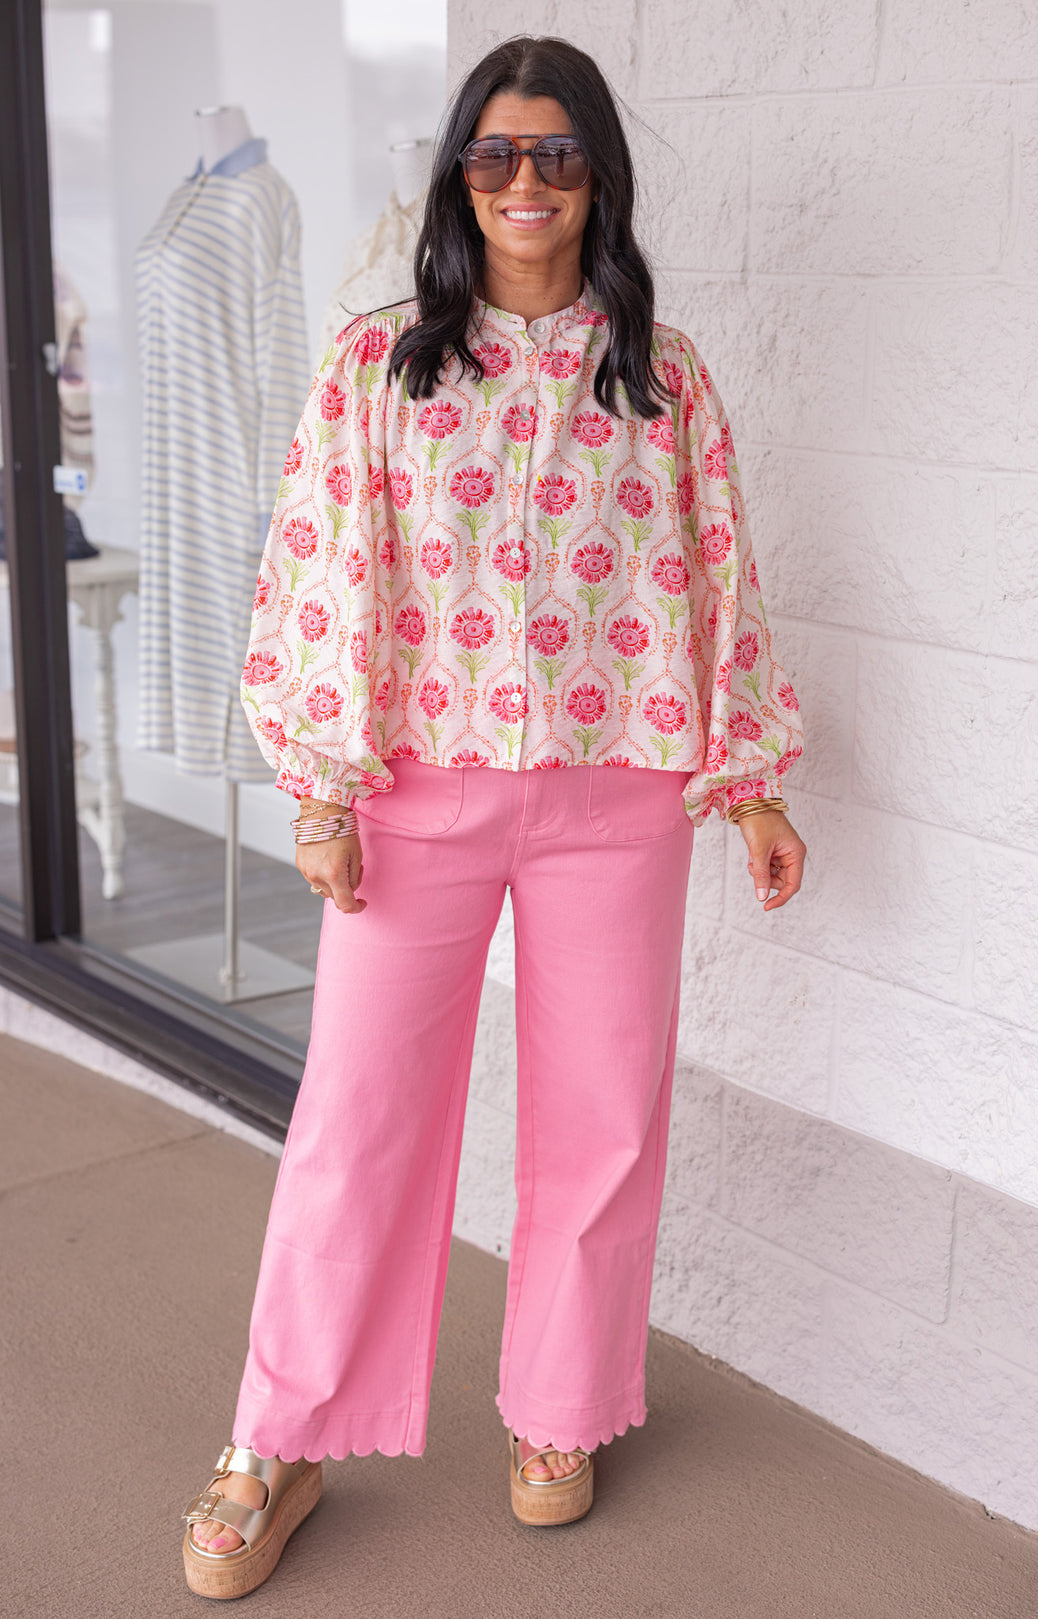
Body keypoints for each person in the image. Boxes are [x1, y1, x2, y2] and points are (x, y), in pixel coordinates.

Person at [180, 33, 807, 1599]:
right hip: (417, 796)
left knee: (601, 1118)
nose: (526, 184)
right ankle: (281, 1436)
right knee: (357, 1122)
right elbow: (319, 582)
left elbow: (721, 581)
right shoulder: (380, 368)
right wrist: (320, 789)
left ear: (600, 174)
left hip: (621, 796)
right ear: (461, 175)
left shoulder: (660, 379)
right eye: (496, 156)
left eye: (558, 155)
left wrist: (753, 786)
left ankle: (561, 1408)